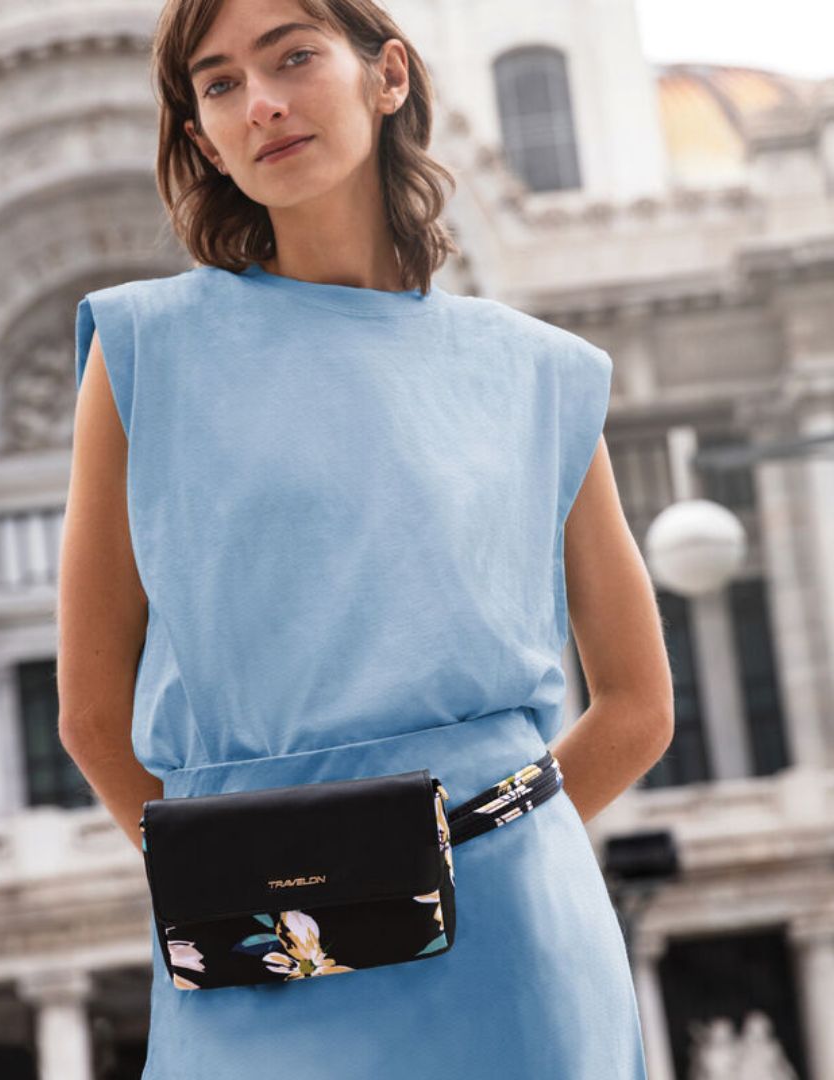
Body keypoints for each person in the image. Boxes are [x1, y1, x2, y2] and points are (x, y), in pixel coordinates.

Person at [57, 0, 674, 1075]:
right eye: (219, 84)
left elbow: (638, 707)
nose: (263, 103)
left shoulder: (538, 372)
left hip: (514, 953)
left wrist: (487, 850)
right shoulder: (143, 350)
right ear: (202, 135)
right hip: (256, 954)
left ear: (388, 76)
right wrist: (256, 880)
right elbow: (90, 715)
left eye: (293, 56)